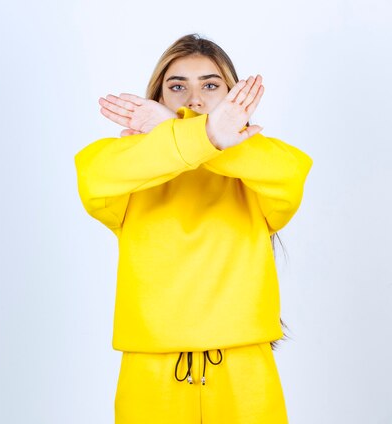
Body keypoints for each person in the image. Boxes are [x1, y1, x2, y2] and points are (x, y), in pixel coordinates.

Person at [74, 33, 312, 424]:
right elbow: (93, 176)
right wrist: (200, 134)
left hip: (243, 366)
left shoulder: (259, 165)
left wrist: (188, 130)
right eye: (177, 86)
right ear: (158, 98)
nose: (194, 100)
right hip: (151, 367)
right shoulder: (129, 163)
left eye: (211, 85)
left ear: (235, 97)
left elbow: (291, 172)